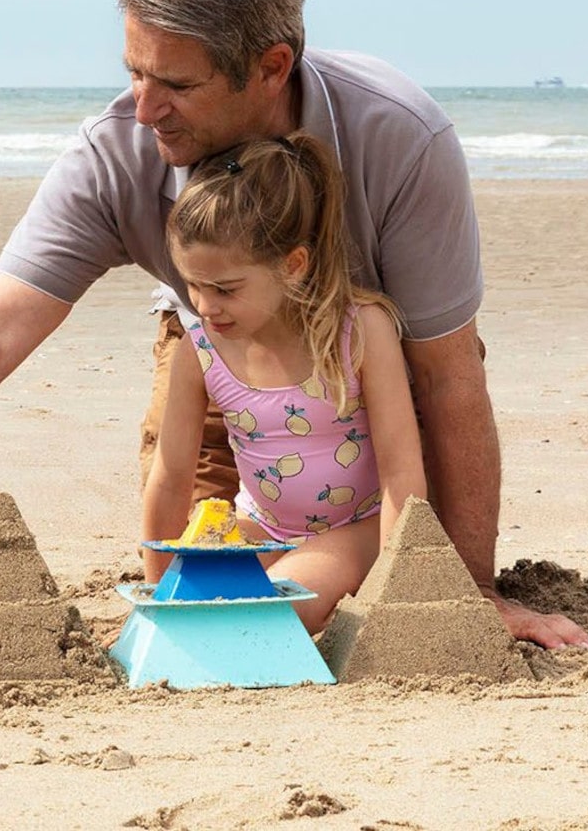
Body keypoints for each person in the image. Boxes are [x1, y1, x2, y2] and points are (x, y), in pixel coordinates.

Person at [0, 0, 588, 650]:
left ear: (272, 66)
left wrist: (467, 590)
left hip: (368, 355)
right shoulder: (118, 152)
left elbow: (448, 377)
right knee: (213, 577)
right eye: (133, 71)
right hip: (222, 355)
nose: (144, 108)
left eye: (177, 84)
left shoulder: (401, 137)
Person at [142, 136, 426, 633]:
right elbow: (169, 479)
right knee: (203, 604)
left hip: (354, 529)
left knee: (276, 609)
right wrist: (158, 598)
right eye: (192, 286)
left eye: (225, 289)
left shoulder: (360, 331)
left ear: (292, 265)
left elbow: (402, 471)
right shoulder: (200, 350)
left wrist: (394, 584)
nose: (205, 306)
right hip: (259, 527)